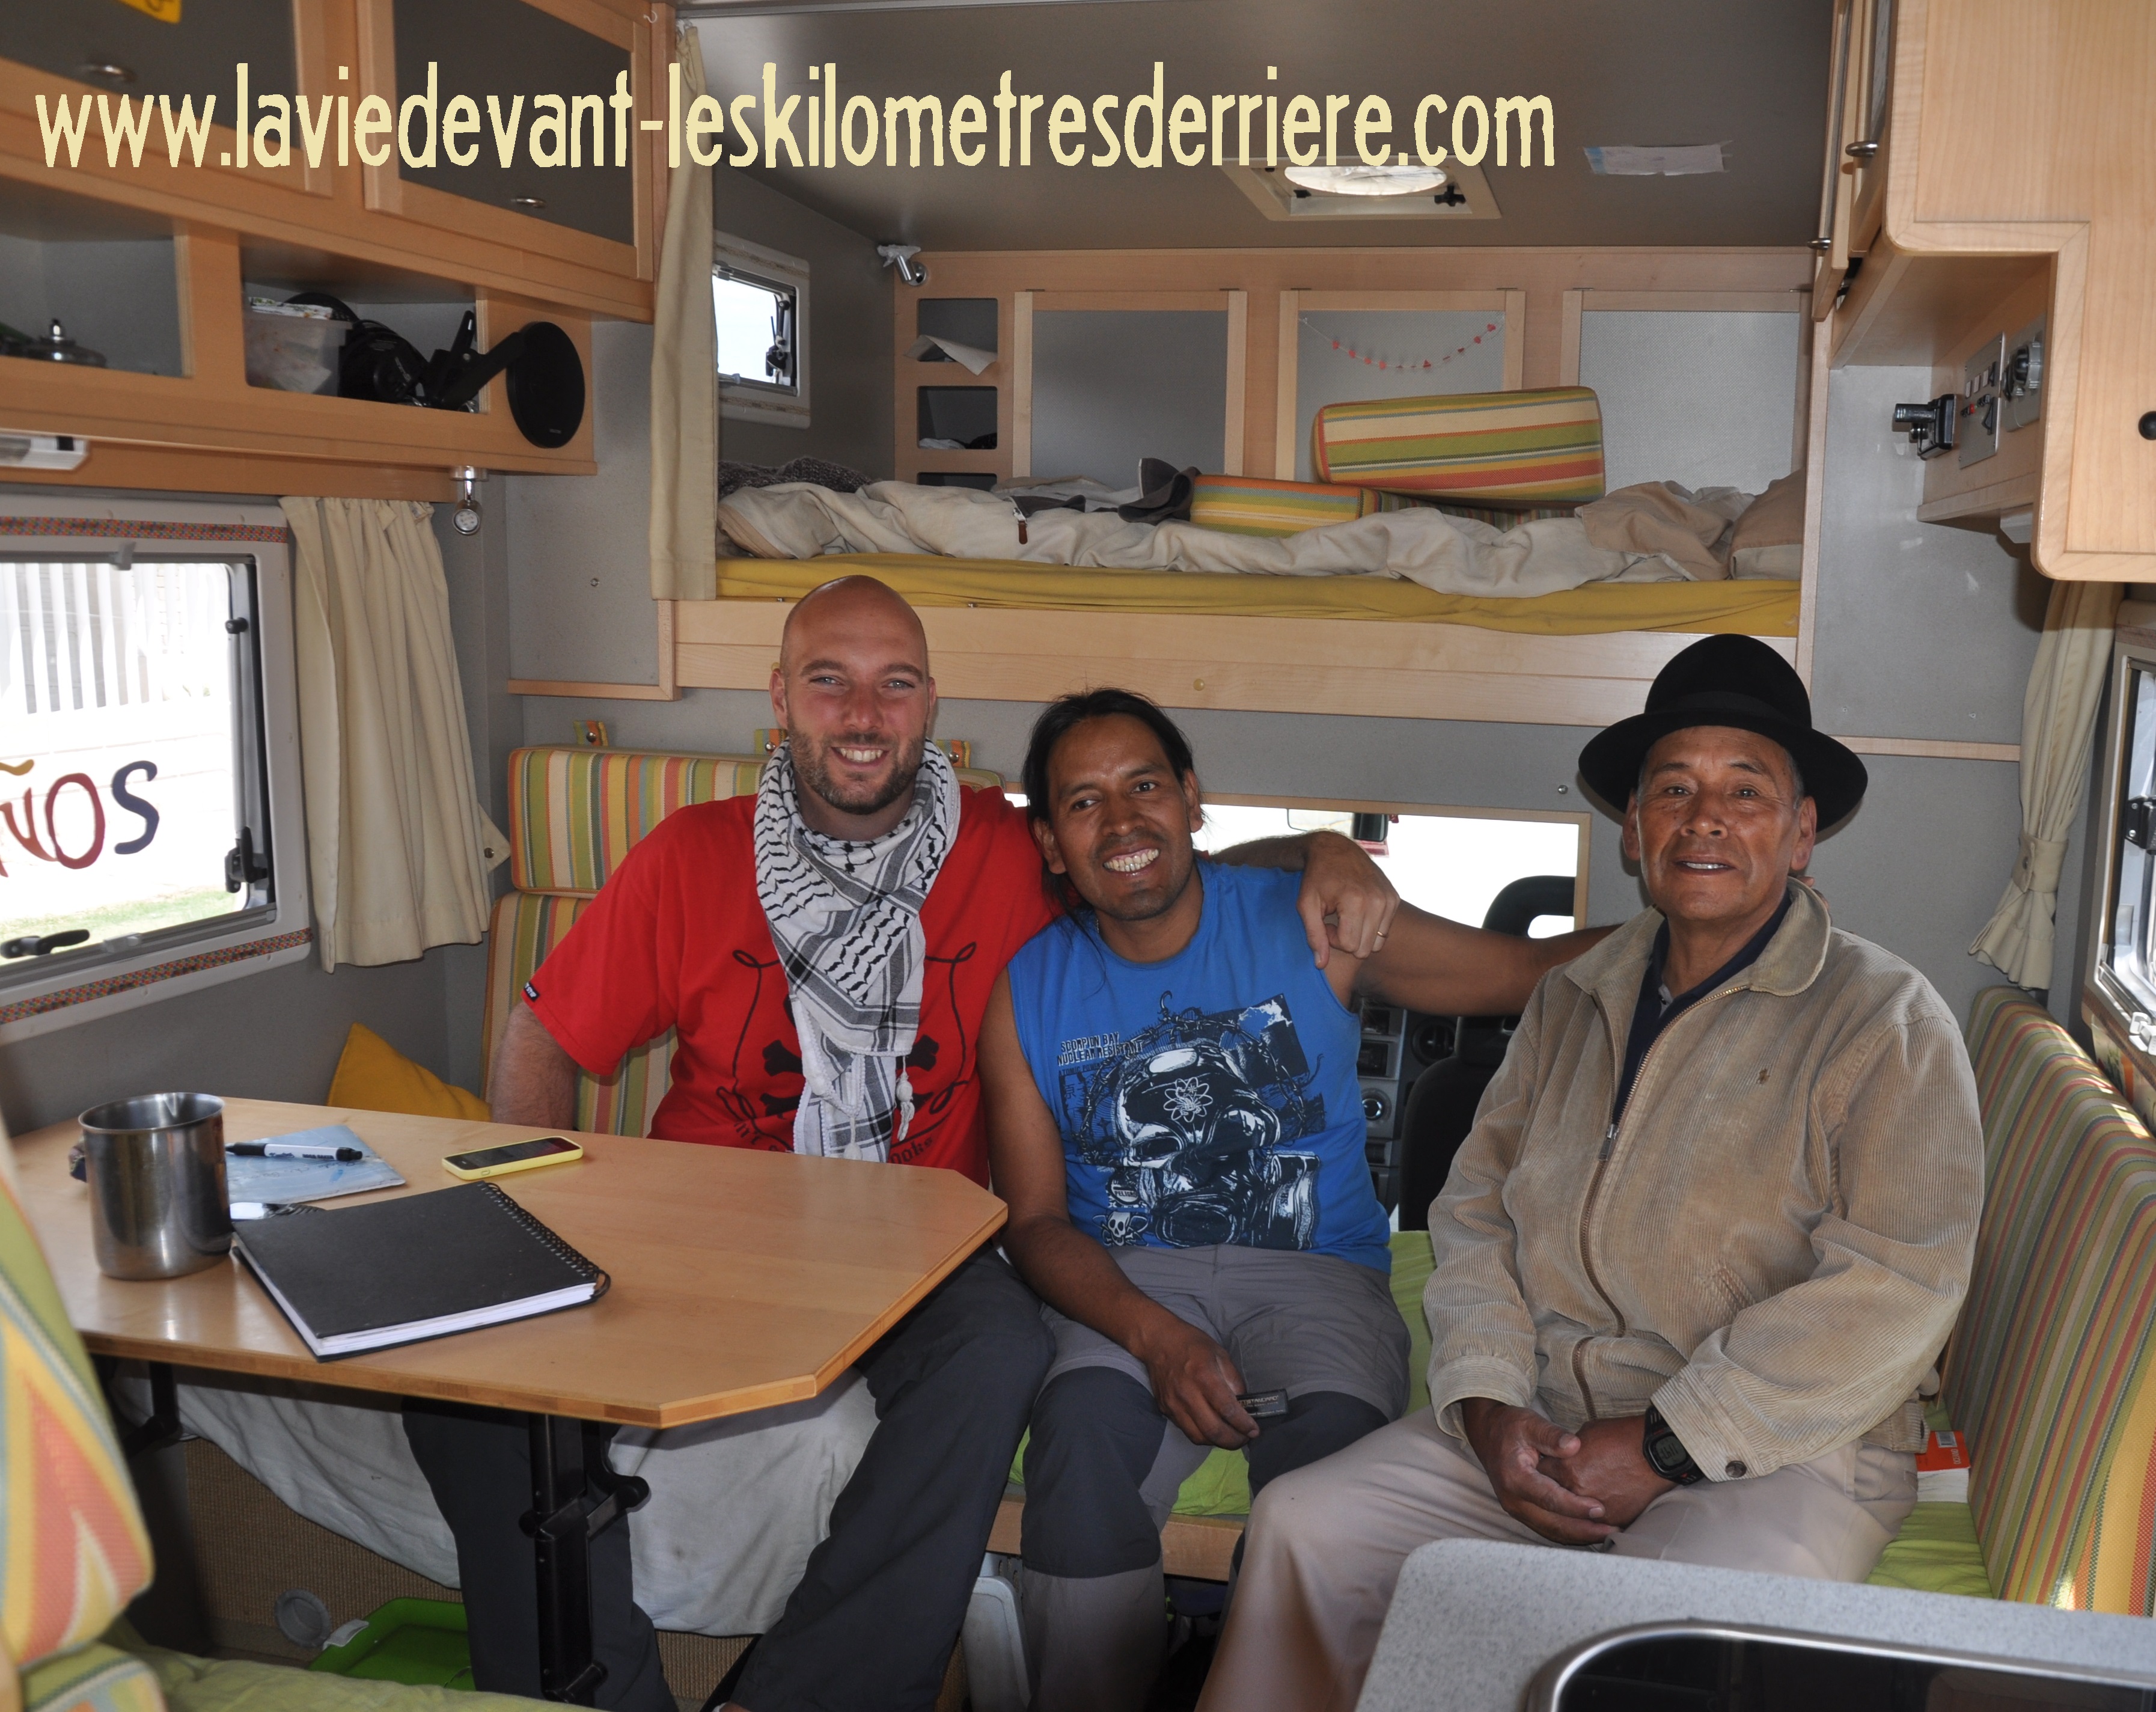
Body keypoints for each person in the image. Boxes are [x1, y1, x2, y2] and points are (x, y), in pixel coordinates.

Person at [403, 576, 1400, 1712]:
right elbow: (542, 1035)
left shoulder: (1004, 847)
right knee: (468, 1389)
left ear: (931, 706)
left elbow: (1149, 863)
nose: (863, 714)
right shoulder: (691, 855)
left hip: (914, 1245)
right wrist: (536, 1220)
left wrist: (1324, 848)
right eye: (829, 681)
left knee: (1001, 1350)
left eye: (895, 684)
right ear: (780, 698)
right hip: (705, 1226)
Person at [1197, 635, 1988, 1712]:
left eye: (1745, 792)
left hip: (1786, 1444)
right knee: (1303, 1524)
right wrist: (1487, 1402)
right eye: (1674, 789)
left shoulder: (1886, 1019)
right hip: (1553, 1414)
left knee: (1647, 1634)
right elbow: (1475, 1212)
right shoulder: (1575, 995)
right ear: (1634, 829)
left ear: (1802, 834)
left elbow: (1899, 1283)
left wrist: (1669, 1443)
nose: (1705, 818)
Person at [979, 689, 1607, 1712]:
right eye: (1084, 803)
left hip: (1318, 1277)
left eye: (1145, 787)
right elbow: (1036, 1221)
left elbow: (1522, 971)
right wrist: (1155, 1338)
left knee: (1329, 1481)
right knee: (1080, 1451)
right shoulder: (1029, 991)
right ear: (1051, 841)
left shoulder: (1310, 921)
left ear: (1191, 800)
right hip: (1127, 1284)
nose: (1124, 822)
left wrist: (1715, 927)